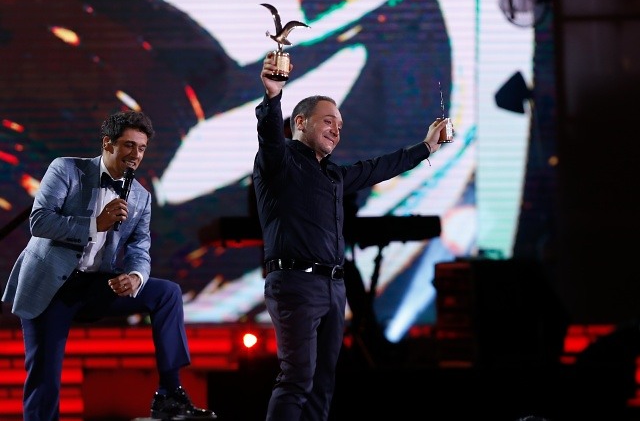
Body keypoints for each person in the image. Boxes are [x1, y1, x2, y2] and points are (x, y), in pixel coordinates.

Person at [252, 52, 451, 420]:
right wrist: (273, 95)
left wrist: (426, 147)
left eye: (340, 125)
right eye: (328, 121)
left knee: (322, 384)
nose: (336, 130)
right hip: (295, 283)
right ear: (300, 122)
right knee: (297, 379)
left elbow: (378, 167)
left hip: (332, 286)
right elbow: (269, 136)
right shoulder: (279, 162)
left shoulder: (333, 175)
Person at [1, 111, 217, 421]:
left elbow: (140, 248)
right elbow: (40, 221)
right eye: (129, 145)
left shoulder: (141, 197)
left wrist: (136, 276)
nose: (135, 155)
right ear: (107, 143)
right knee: (45, 380)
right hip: (50, 286)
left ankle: (170, 394)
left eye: (141, 148)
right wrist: (95, 224)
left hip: (95, 284)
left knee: (167, 293)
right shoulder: (67, 169)